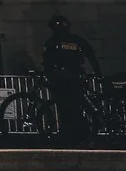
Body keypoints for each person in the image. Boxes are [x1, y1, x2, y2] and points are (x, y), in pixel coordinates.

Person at [41, 15, 102, 144]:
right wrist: (98, 74)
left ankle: (70, 135)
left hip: (61, 80)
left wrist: (48, 75)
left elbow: (47, 61)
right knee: (76, 107)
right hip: (76, 77)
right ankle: (78, 134)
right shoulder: (76, 40)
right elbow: (91, 56)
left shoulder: (52, 41)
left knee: (65, 108)